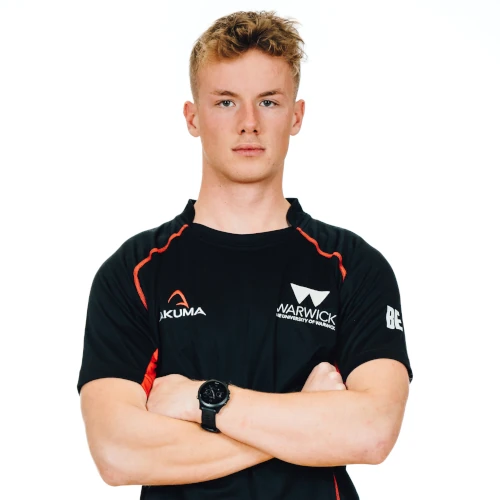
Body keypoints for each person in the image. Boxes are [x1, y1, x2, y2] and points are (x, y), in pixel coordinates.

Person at [77, 10, 413, 500]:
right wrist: (307, 420)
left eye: (269, 102)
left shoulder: (353, 266)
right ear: (193, 117)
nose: (249, 123)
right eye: (226, 101)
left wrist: (201, 400)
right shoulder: (135, 272)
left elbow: (372, 431)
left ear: (296, 116)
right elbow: (117, 453)